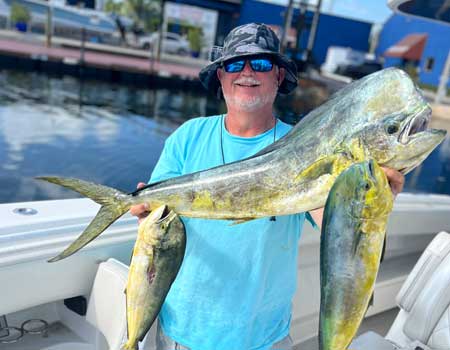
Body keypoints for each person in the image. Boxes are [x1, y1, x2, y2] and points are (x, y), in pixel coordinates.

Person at [130, 23, 405, 350]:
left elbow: (328, 216)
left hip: (263, 338)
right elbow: (156, 219)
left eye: (261, 64)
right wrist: (144, 211)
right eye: (235, 64)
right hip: (183, 329)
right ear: (221, 76)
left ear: (278, 76)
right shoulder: (188, 137)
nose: (247, 72)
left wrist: (368, 202)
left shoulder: (307, 145)